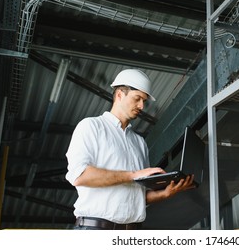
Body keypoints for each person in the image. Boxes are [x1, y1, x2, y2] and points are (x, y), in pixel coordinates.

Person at [65, 69, 194, 230]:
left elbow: (135, 196)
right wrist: (134, 175)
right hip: (95, 231)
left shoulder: (139, 143)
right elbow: (80, 175)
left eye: (144, 101)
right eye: (137, 99)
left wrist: (164, 193)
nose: (141, 106)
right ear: (119, 95)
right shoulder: (91, 127)